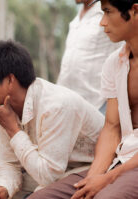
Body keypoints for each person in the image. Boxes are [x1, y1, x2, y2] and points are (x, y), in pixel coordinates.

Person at [27, 0, 138, 198]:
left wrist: (109, 178)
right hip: (120, 158)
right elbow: (112, 128)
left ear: (135, 11)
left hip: (131, 165)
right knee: (41, 196)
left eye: (107, 12)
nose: (102, 22)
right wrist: (92, 179)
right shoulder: (115, 63)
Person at [0, 40, 105, 199]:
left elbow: (48, 175)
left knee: (38, 196)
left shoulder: (55, 105)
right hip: (50, 171)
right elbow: (8, 161)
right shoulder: (3, 105)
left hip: (90, 168)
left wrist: (13, 129)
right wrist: (3, 187)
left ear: (10, 80)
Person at [56, 0, 121, 114]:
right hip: (70, 103)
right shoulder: (75, 20)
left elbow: (123, 52)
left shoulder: (106, 13)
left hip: (98, 103)